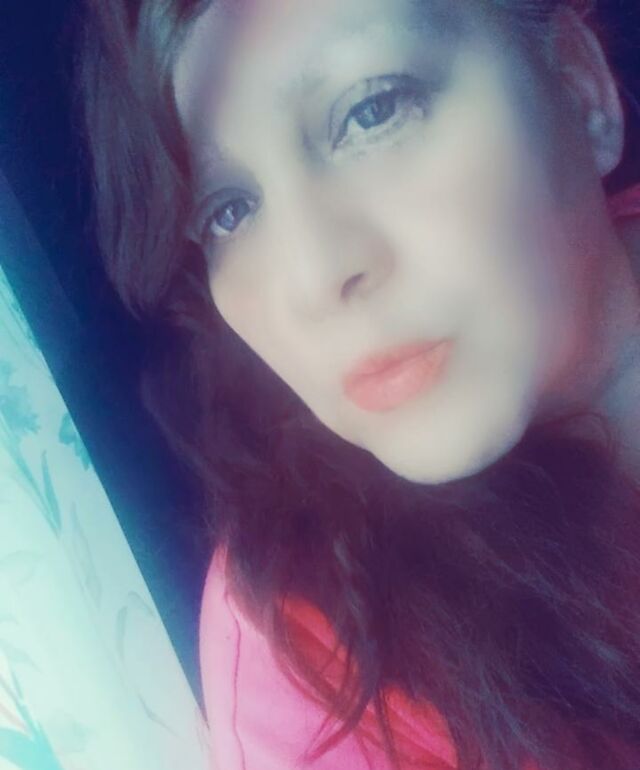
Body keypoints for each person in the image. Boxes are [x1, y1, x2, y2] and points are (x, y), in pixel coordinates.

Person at [75, 1, 640, 768]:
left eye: (372, 112)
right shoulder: (309, 647)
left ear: (579, 88)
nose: (312, 276)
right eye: (229, 211)